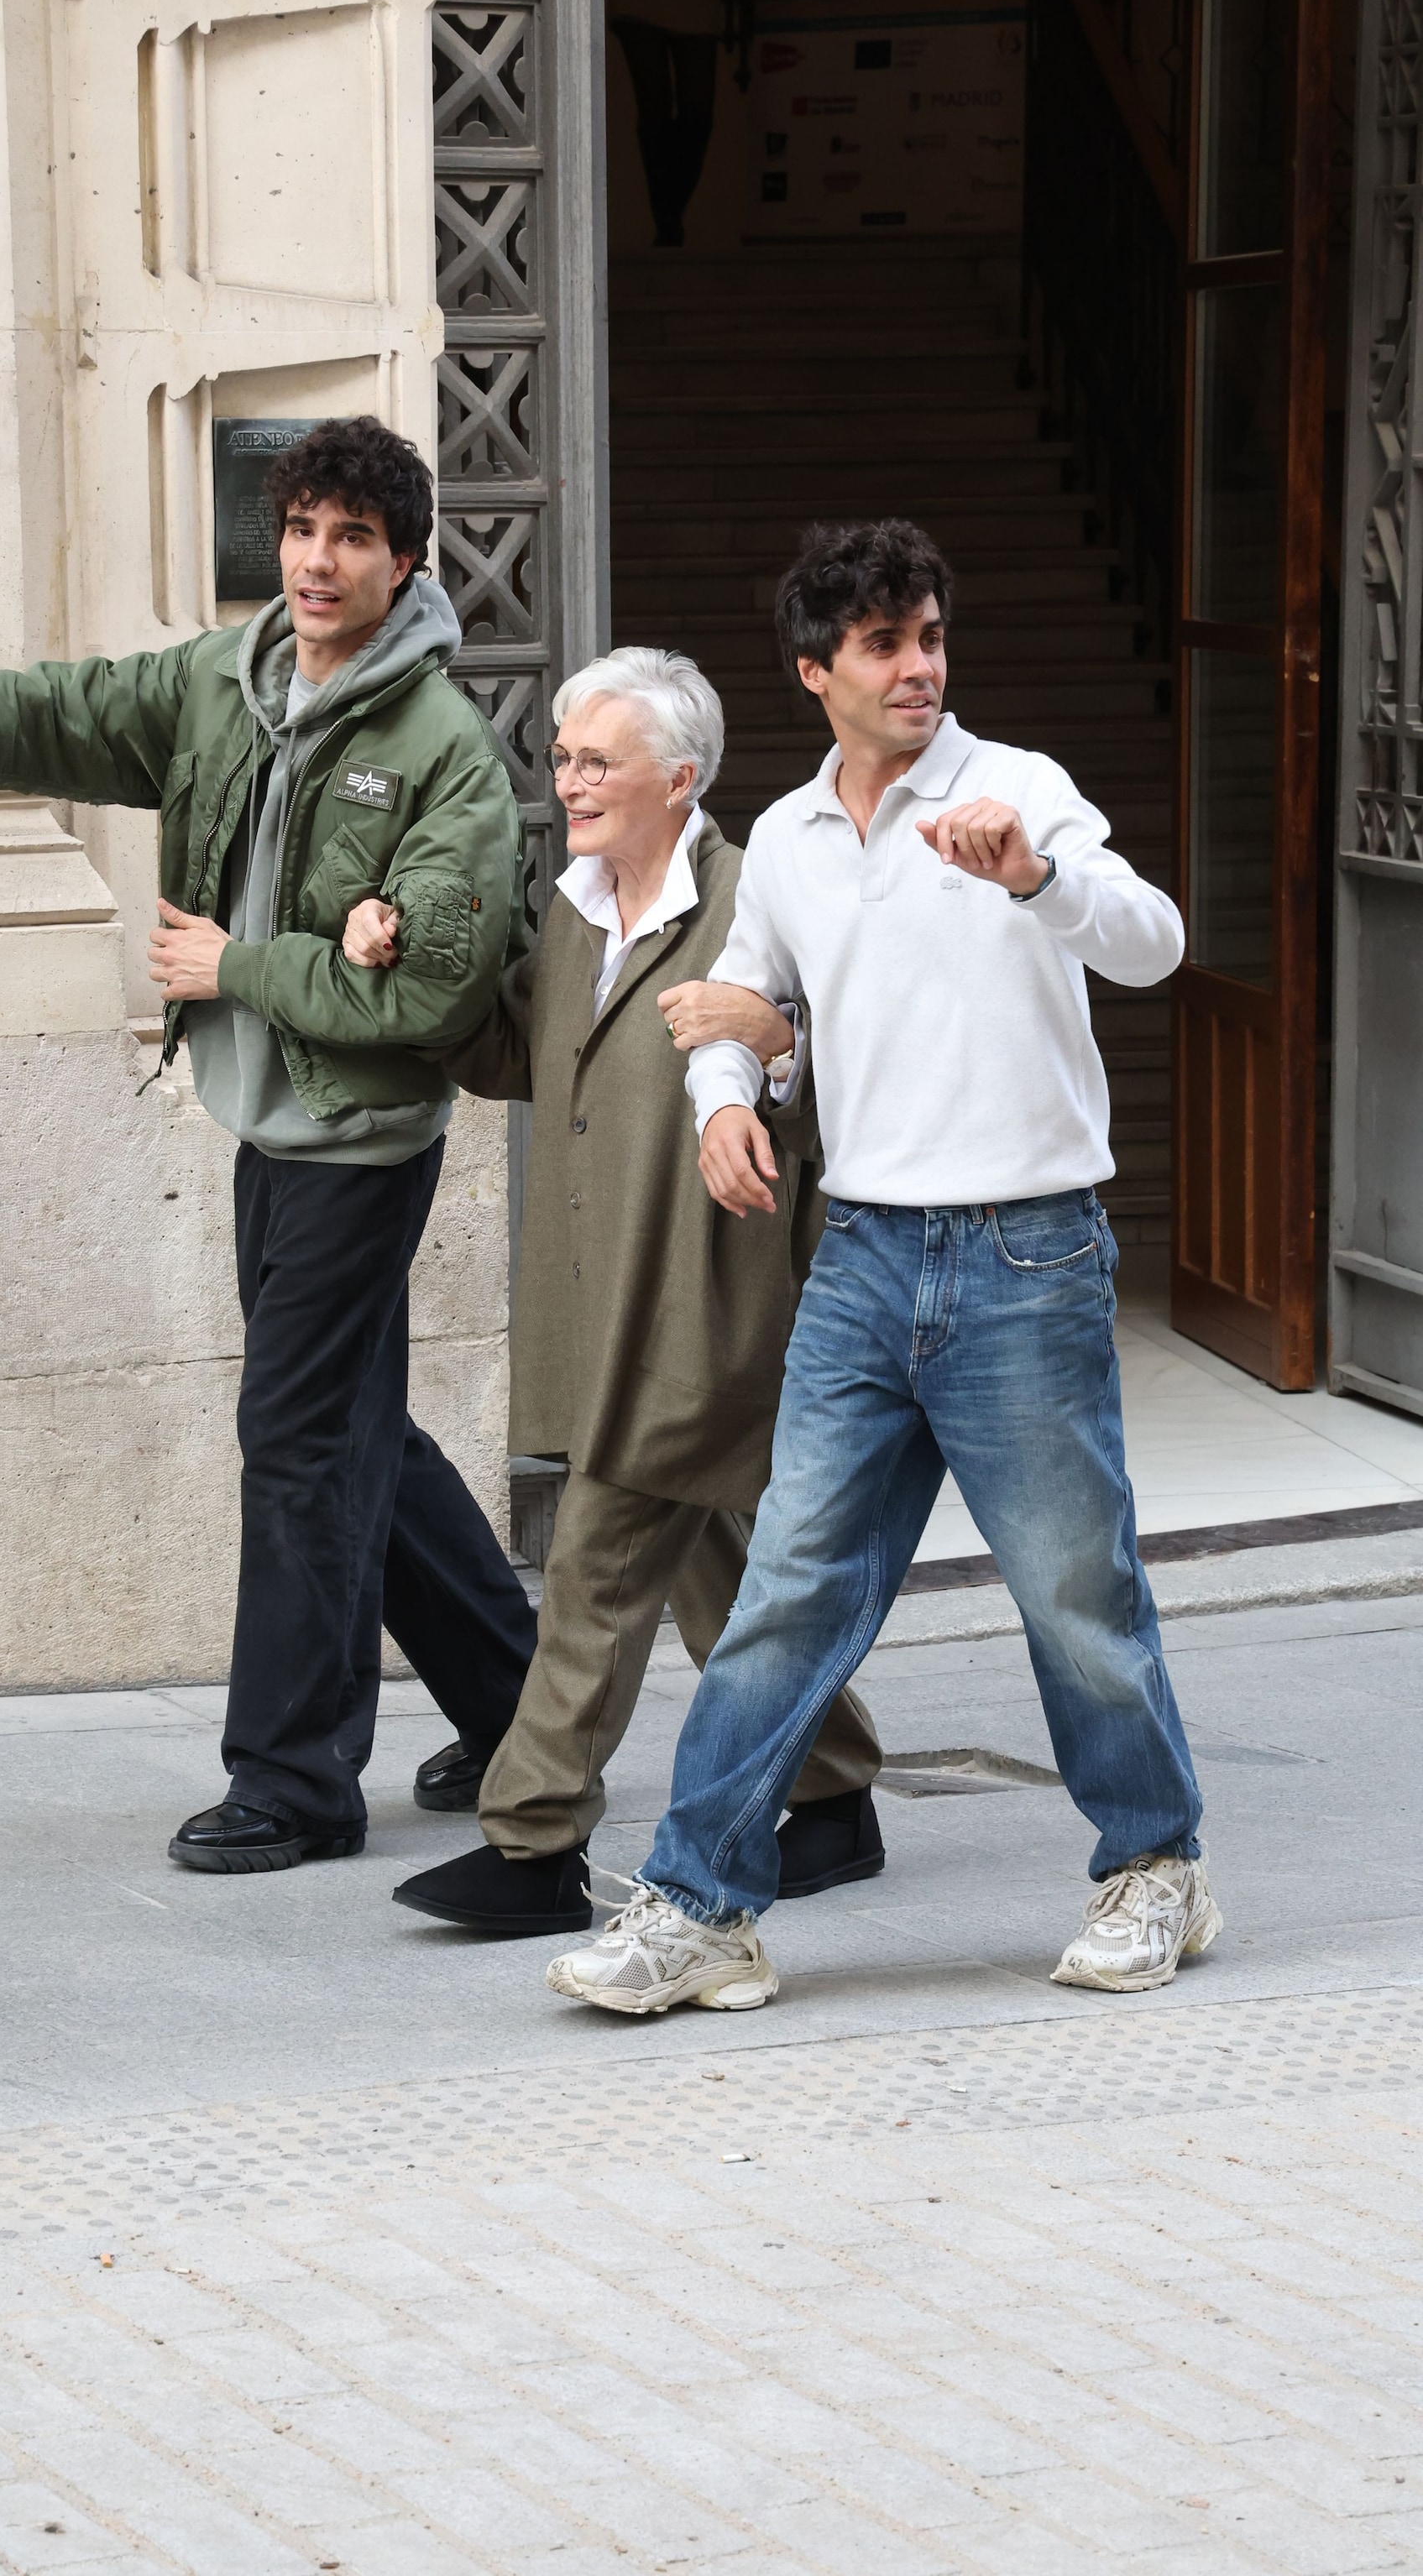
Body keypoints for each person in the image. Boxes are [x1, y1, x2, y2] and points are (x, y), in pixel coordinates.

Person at [0, 415, 536, 1869]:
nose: (317, 561)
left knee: (296, 1438)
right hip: (267, 1120)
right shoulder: (226, 681)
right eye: (302, 529)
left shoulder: (440, 747)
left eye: (352, 539)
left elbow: (433, 988)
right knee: (352, 1427)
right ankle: (521, 1705)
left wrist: (236, 965)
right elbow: (80, 707)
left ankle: (296, 1781)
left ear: (406, 564)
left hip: (361, 1139)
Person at [545, 519, 1220, 2014]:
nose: (918, 668)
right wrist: (727, 1105)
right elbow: (741, 1003)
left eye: (929, 638)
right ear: (816, 674)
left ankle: (1154, 1868)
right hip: (859, 1257)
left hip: (1028, 1254)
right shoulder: (782, 841)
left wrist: (1036, 878)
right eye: (883, 646)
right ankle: (701, 1908)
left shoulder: (1017, 789)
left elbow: (1157, 944)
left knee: (1071, 1587)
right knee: (789, 1589)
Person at [338, 649, 887, 1937]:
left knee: (597, 1559)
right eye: (565, 757)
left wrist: (775, 1057)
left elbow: (843, 1066)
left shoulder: (761, 895)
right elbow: (514, 1049)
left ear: (679, 778)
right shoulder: (579, 907)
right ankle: (835, 1790)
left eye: (596, 761)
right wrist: (402, 956)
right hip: (604, 1287)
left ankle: (534, 1844)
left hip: (719, 1291)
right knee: (724, 1569)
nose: (566, 781)